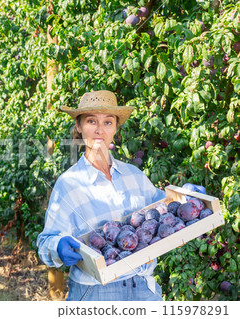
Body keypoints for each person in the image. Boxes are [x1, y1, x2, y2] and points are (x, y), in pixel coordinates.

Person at [36, 90, 205, 301]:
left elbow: (164, 210)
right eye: (91, 121)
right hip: (95, 293)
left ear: (116, 128)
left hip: (142, 287)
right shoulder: (69, 184)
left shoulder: (133, 175)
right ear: (79, 127)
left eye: (108, 122)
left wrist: (186, 197)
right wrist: (57, 247)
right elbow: (45, 243)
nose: (99, 130)